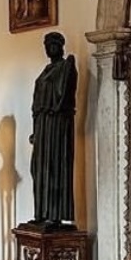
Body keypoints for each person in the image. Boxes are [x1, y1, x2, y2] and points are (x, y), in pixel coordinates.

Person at [28, 31, 77, 226]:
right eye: (46, 45)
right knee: (38, 169)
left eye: (53, 44)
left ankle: (54, 214)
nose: (49, 48)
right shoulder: (46, 70)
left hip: (56, 125)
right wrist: (35, 130)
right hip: (42, 126)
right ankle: (40, 212)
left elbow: (64, 96)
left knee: (54, 167)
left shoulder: (66, 67)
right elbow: (36, 102)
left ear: (60, 46)